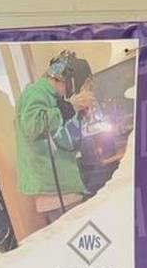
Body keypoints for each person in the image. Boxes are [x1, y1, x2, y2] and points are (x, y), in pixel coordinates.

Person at [15, 51, 97, 219]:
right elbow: (33, 126)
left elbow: (66, 141)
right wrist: (71, 106)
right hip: (55, 194)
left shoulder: (55, 100)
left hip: (66, 187)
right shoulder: (35, 93)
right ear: (69, 80)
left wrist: (79, 114)